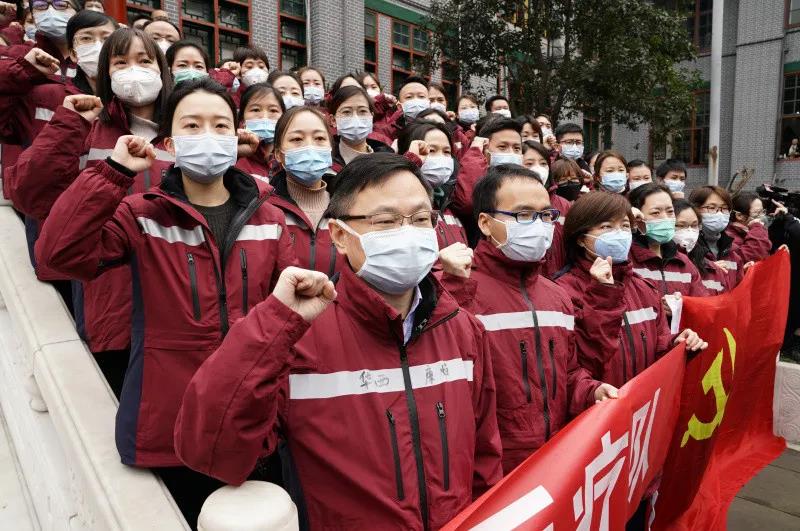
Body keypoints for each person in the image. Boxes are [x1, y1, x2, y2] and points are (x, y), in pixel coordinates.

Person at [175, 153, 503, 530]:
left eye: (419, 219)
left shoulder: (463, 330)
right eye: (386, 221)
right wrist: (274, 323)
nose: (408, 233)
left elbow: (485, 460)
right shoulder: (299, 336)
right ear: (340, 235)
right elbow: (211, 452)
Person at [35, 77, 295, 526]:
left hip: (249, 423)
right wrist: (112, 173)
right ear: (170, 143)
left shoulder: (269, 219)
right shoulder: (142, 213)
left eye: (220, 125)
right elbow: (58, 253)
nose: (208, 136)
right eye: (192, 126)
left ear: (235, 137)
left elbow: (290, 323)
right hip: (168, 426)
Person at [11, 27, 174, 395]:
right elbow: (29, 194)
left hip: (180, 313)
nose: (134, 70)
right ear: (105, 73)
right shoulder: (87, 129)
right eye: (121, 63)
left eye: (144, 61)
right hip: (112, 309)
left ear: (162, 70)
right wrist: (68, 124)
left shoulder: (186, 134)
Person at [442, 164, 616, 473]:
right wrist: (455, 288)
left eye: (545, 215)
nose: (538, 225)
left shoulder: (556, 296)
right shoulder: (456, 289)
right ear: (485, 222)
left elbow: (569, 373)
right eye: (523, 215)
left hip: (552, 459)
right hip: (490, 467)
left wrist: (591, 391)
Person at [555, 191, 708, 389]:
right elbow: (579, 362)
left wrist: (676, 345)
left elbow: (658, 347)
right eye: (607, 227)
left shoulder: (644, 288)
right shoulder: (563, 292)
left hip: (641, 401)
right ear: (581, 239)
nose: (619, 233)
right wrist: (603, 292)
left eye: (625, 226)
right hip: (599, 404)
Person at [267, 106, 340, 276]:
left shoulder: (347, 207)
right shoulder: (265, 210)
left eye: (319, 138)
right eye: (297, 139)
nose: (310, 146)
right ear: (278, 154)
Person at [627, 183, 707, 297]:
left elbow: (700, 302)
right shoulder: (625, 260)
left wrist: (682, 304)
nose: (665, 218)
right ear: (637, 217)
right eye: (655, 213)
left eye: (670, 211)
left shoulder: (683, 262)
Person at [398, 121, 467, 248]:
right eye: (430, 150)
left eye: (447, 151)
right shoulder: (397, 202)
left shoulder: (449, 203)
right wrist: (410, 164)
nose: (441, 157)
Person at [451, 117, 522, 234]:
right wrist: (475, 153)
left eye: (517, 148)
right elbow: (468, 202)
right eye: (502, 147)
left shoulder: (527, 183)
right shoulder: (477, 177)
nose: (511, 153)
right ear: (485, 150)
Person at [689, 185, 770, 285]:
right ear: (695, 210)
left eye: (724, 208)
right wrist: (710, 269)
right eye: (711, 208)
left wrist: (743, 273)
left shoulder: (731, 250)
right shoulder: (688, 248)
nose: (719, 213)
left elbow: (735, 288)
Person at [522, 140, 569, 278]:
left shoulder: (564, 205)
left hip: (560, 279)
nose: (538, 169)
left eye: (543, 164)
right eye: (529, 164)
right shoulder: (509, 204)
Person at [673, 199, 733, 294]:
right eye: (681, 225)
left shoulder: (712, 269)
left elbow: (724, 301)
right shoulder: (660, 269)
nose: (689, 231)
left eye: (694, 225)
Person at [327, 84, 391, 172]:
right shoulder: (325, 162)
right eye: (346, 112)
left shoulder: (387, 159)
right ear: (333, 120)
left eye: (362, 111)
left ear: (371, 117)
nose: (355, 118)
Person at [236, 82, 284, 182]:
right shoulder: (233, 157)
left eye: (273, 110)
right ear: (242, 119)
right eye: (256, 110)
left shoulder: (289, 157)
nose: (264, 117)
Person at [373, 74, 429, 141]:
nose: (416, 100)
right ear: (399, 106)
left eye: (421, 96)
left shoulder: (438, 127)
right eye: (409, 97)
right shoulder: (387, 131)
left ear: (429, 102)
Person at [727, 191, 773, 263]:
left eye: (762, 212)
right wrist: (757, 228)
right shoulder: (729, 237)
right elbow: (753, 257)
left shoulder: (749, 231)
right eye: (757, 213)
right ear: (739, 216)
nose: (761, 216)